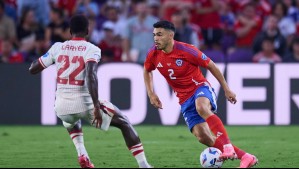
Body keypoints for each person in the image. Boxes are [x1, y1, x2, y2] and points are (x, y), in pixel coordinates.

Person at [29, 15, 152, 168]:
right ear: (88, 31)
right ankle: (144, 165)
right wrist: (96, 106)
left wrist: (46, 56)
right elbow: (91, 76)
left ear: (70, 31)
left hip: (61, 107)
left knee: (71, 119)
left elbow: (33, 69)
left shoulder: (57, 47)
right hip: (85, 104)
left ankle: (82, 154)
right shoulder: (92, 49)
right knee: (124, 122)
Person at [143, 21, 258, 168]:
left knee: (201, 107)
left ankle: (227, 146)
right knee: (203, 137)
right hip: (183, 99)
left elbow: (211, 65)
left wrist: (226, 88)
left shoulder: (187, 50)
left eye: (159, 34)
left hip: (200, 88)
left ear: (170, 35)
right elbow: (147, 70)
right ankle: (246, 157)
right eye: (154, 35)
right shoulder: (153, 53)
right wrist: (151, 93)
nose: (155, 38)